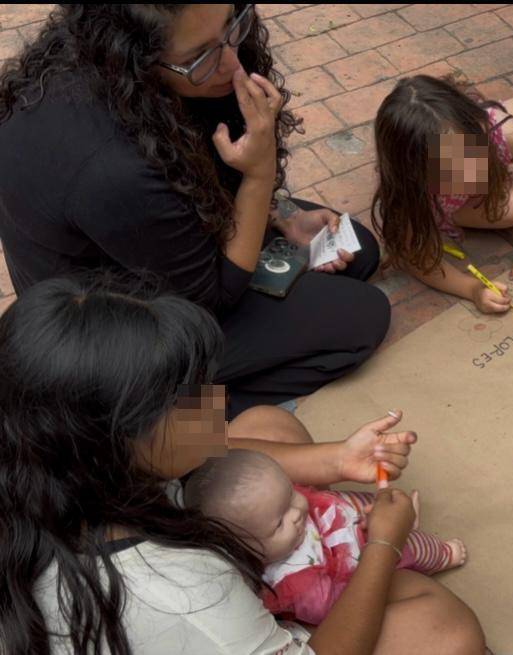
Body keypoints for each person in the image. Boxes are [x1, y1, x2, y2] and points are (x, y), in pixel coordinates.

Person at [0, 276, 485, 655]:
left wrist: (339, 457)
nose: (218, 400)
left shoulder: (52, 460)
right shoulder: (182, 594)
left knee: (269, 427)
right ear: (122, 438)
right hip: (211, 620)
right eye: (190, 398)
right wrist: (382, 543)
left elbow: (229, 443)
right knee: (446, 628)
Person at [0, 4, 390, 418]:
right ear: (137, 54)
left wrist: (280, 212)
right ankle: (171, 426)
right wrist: (259, 176)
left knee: (356, 249)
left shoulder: (114, 71)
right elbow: (215, 295)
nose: (231, 62)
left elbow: (198, 178)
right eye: (199, 57)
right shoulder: (110, 168)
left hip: (150, 249)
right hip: (111, 335)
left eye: (232, 25)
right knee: (361, 316)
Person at [185, 449, 467, 625]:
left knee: (359, 501)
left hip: (339, 520)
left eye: (290, 493)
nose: (296, 512)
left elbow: (307, 504)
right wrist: (384, 540)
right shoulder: (294, 583)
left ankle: (398, 514)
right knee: (412, 550)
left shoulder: (277, 508)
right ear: (241, 551)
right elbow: (340, 609)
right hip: (361, 563)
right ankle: (443, 553)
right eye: (279, 522)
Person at [372, 75, 513, 312]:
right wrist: (472, 289)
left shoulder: (498, 128)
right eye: (448, 169)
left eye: (468, 153)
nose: (467, 171)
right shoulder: (409, 194)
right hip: (454, 203)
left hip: (493, 144)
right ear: (413, 171)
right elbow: (417, 257)